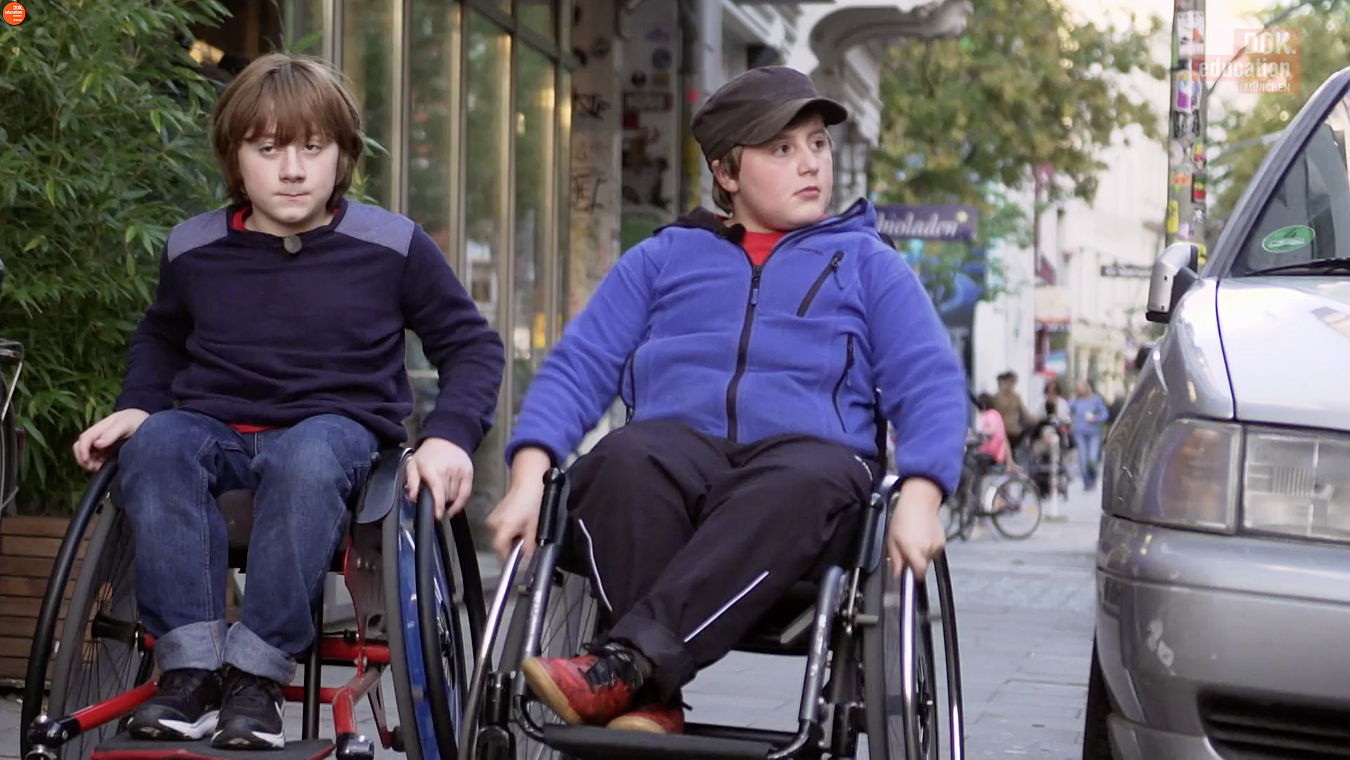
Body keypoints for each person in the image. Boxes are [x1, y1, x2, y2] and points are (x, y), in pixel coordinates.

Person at [485, 66, 967, 736]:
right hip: (677, 459)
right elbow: (579, 365)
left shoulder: (867, 263)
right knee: (623, 459)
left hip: (809, 471)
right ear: (726, 172)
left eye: (818, 144)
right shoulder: (663, 258)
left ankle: (626, 666)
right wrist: (527, 476)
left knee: (804, 480)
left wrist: (921, 493)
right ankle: (646, 701)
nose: (811, 163)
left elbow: (929, 381)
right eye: (782, 149)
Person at [71, 53, 504, 750]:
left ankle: (256, 677)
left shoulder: (392, 245)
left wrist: (449, 435)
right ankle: (190, 673)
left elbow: (471, 346)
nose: (293, 170)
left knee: (306, 454)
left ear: (343, 156)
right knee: (156, 445)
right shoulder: (193, 247)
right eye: (268, 149)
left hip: (336, 435)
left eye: (313, 148)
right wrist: (139, 404)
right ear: (234, 158)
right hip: (212, 427)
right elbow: (161, 337)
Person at [1069, 380, 1110, 489]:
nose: (1079, 390)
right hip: (1079, 433)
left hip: (1093, 433)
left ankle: (1093, 477)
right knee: (1082, 459)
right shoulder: (1076, 401)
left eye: (1081, 388)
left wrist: (1095, 418)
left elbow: (1105, 414)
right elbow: (1068, 410)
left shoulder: (1095, 400)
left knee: (1092, 457)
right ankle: (1086, 483)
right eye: (1078, 388)